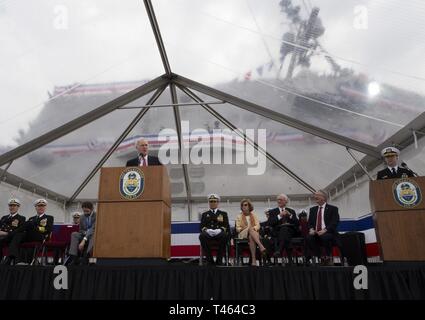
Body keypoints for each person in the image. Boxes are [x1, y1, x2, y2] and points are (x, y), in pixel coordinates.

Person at [3, 199, 54, 265]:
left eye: (43, 206)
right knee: (18, 235)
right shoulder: (31, 218)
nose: (41, 208)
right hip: (30, 236)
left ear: (45, 207)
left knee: (28, 224)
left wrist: (35, 227)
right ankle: (12, 257)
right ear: (35, 207)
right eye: (39, 206)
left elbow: (47, 229)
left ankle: (9, 234)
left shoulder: (49, 217)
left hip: (41, 236)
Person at [306, 190, 340, 266]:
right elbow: (310, 223)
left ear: (324, 197)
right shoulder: (312, 210)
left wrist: (324, 230)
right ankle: (321, 256)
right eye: (315, 195)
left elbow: (335, 222)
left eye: (317, 195)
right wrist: (311, 229)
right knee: (309, 237)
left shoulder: (333, 208)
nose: (315, 197)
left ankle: (327, 257)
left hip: (328, 232)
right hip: (316, 233)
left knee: (325, 237)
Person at [266, 194, 299, 264]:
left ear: (286, 201)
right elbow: (269, 223)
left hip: (291, 231)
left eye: (281, 200)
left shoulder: (291, 211)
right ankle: (290, 259)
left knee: (285, 229)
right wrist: (279, 216)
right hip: (278, 232)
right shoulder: (272, 211)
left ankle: (279, 250)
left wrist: (290, 215)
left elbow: (297, 223)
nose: (279, 201)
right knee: (284, 230)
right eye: (278, 200)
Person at [199, 194, 230, 266]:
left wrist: (220, 230)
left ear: (217, 203)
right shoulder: (205, 214)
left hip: (219, 233)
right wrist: (207, 230)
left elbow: (226, 225)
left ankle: (219, 260)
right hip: (208, 233)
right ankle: (210, 260)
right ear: (209, 203)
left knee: (225, 236)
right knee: (202, 236)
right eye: (211, 201)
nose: (212, 203)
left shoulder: (223, 214)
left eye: (214, 201)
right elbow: (202, 226)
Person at [235, 199, 267, 266]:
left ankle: (253, 260)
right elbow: (237, 228)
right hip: (242, 234)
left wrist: (253, 229)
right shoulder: (239, 216)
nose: (244, 206)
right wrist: (246, 229)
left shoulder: (254, 215)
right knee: (250, 229)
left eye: (246, 205)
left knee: (251, 237)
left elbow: (258, 225)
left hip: (252, 234)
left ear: (249, 206)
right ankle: (261, 246)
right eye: (242, 205)